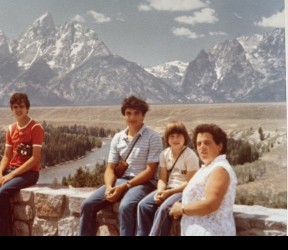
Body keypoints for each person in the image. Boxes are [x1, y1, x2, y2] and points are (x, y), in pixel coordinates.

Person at [79, 95, 163, 236]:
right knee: (88, 205)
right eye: (128, 113)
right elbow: (110, 168)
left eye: (137, 113)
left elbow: (150, 171)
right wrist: (109, 187)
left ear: (143, 116)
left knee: (126, 206)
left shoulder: (153, 137)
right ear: (124, 116)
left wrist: (125, 186)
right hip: (120, 181)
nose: (132, 117)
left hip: (144, 183)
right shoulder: (118, 138)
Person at [0, 92, 44, 236]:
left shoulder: (35, 128)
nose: (19, 110)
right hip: (10, 170)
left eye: (22, 106)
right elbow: (6, 156)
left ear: (28, 108)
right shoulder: (11, 129)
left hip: (29, 173)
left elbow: (34, 159)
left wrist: (9, 176)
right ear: (11, 109)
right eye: (15, 107)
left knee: (2, 193)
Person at [169, 123, 237, 236]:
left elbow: (211, 204)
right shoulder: (208, 167)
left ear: (219, 146)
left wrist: (182, 208)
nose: (202, 147)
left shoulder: (219, 169)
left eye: (207, 143)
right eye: (198, 143)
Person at [136, 121, 199, 236]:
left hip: (183, 190)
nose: (175, 139)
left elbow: (190, 183)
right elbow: (162, 179)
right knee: (143, 205)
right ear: (167, 139)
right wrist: (160, 191)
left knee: (164, 209)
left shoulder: (190, 156)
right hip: (168, 188)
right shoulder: (164, 154)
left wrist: (169, 192)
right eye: (172, 136)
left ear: (185, 137)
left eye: (179, 135)